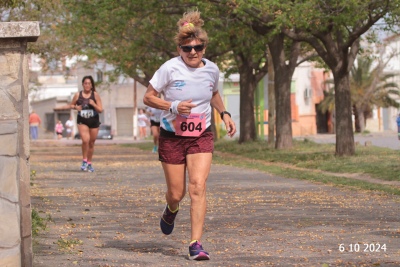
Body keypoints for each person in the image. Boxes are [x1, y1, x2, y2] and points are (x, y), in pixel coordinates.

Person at [143, 10, 236, 261]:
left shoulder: (212, 70)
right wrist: (173, 107)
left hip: (201, 134)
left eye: (198, 47)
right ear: (179, 49)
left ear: (204, 48)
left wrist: (224, 113)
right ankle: (171, 208)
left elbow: (213, 93)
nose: (193, 52)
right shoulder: (169, 69)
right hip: (172, 135)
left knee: (198, 186)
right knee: (177, 192)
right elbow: (148, 97)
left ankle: (196, 243)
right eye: (187, 48)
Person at [70, 75, 103, 172]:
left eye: (89, 83)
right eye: (85, 83)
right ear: (82, 85)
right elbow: (72, 104)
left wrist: (93, 104)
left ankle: (89, 163)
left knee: (91, 143)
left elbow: (100, 109)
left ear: (92, 85)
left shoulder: (95, 95)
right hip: (82, 120)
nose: (87, 85)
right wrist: (76, 107)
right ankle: (84, 160)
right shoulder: (77, 95)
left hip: (94, 120)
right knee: (85, 140)